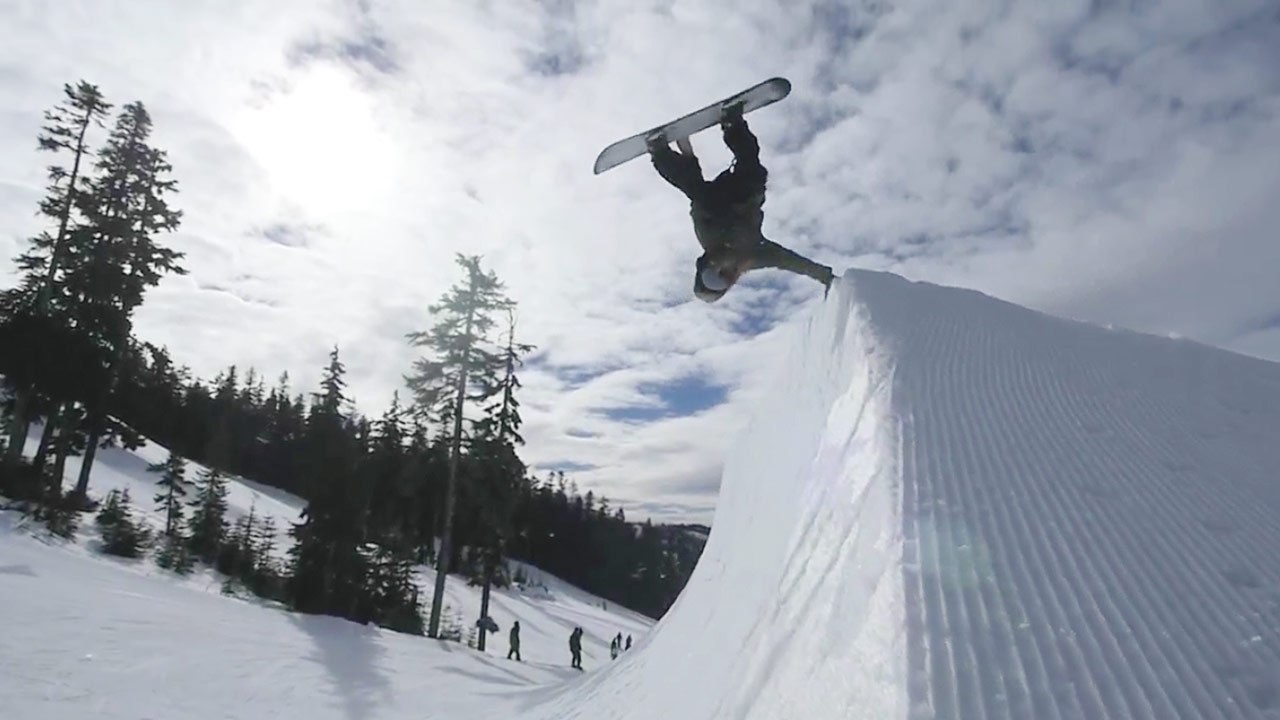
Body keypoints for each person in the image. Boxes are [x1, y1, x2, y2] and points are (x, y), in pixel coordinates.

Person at [647, 106, 834, 303]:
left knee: (698, 193)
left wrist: (685, 153)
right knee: (751, 163)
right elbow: (789, 261)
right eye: (724, 279)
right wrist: (824, 276)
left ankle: (660, 153)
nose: (725, 269)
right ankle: (733, 124)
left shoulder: (708, 239)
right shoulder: (754, 255)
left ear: (708, 267)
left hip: (718, 196)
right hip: (746, 193)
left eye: (714, 273)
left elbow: (696, 196)